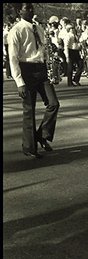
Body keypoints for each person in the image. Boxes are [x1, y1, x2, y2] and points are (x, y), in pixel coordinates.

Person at [8, 3, 60, 158]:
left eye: (31, 8)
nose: (31, 10)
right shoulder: (16, 30)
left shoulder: (38, 28)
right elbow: (13, 58)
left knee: (53, 103)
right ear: (19, 11)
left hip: (41, 69)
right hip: (26, 70)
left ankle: (42, 135)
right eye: (27, 8)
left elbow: (43, 48)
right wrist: (20, 82)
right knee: (29, 110)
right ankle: (29, 148)